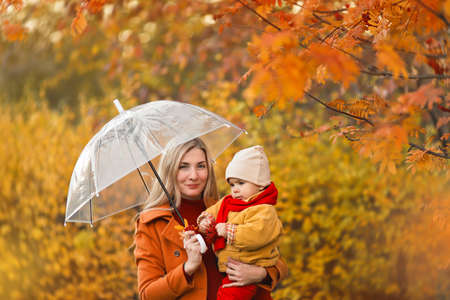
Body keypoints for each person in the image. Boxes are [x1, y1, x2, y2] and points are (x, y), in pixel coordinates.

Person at [134, 138, 288, 300]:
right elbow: (147, 294)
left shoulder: (228, 207)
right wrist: (188, 268)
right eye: (183, 167)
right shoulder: (152, 222)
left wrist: (260, 273)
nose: (193, 176)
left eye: (201, 166)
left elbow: (275, 258)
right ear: (170, 170)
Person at [197, 145, 283, 300]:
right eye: (232, 184)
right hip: (233, 269)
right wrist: (205, 221)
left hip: (248, 267)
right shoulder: (227, 202)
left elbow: (256, 235)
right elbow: (212, 212)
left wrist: (229, 231)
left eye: (241, 183)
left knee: (229, 296)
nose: (235, 189)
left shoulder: (264, 210)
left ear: (261, 184)